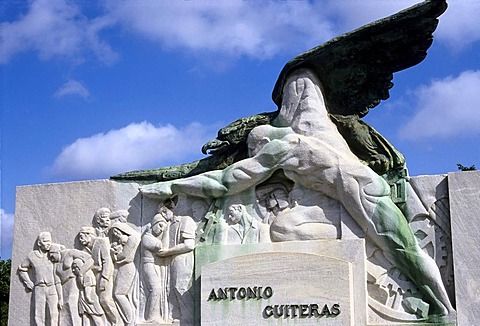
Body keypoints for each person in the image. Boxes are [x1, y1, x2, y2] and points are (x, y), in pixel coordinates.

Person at [141, 69, 454, 316]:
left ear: (264, 142)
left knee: (404, 250)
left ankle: (445, 309)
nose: (254, 156)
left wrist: (172, 185)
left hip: (364, 194)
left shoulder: (282, 148)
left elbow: (225, 181)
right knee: (290, 227)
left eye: (254, 149)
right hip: (356, 190)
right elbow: (304, 87)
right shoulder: (311, 125)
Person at [156, 205, 196, 325]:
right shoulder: (169, 225)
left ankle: (189, 318)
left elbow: (189, 245)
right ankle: (180, 315)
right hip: (171, 259)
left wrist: (168, 252)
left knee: (181, 287)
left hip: (182, 258)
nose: (163, 215)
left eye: (164, 211)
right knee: (172, 288)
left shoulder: (186, 220)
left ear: (171, 208)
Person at [78, 227, 120, 325]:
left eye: (82, 237)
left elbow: (107, 261)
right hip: (94, 276)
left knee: (105, 299)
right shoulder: (86, 248)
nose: (80, 240)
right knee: (99, 301)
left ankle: (118, 322)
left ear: (88, 234)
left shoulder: (101, 242)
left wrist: (104, 279)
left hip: (105, 274)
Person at [18, 231, 60, 326]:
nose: (48, 244)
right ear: (39, 243)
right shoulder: (32, 256)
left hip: (52, 287)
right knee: (39, 314)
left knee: (53, 313)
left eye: (50, 241)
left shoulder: (53, 255)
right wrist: (28, 281)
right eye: (46, 241)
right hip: (39, 288)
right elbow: (22, 269)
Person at [48, 243, 94, 326]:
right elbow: (57, 282)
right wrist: (60, 298)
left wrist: (81, 273)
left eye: (52, 254)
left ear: (57, 252)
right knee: (63, 308)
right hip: (63, 287)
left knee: (71, 304)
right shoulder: (55, 264)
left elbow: (90, 260)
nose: (51, 258)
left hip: (73, 282)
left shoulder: (70, 253)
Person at [141, 213, 171, 323]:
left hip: (155, 265)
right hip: (149, 265)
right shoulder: (147, 238)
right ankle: (151, 317)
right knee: (155, 289)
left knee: (158, 289)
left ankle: (155, 315)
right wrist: (167, 231)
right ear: (153, 224)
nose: (161, 230)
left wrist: (165, 230)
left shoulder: (151, 237)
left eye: (163, 227)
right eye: (160, 226)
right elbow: (163, 248)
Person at [110, 222, 140, 325]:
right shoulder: (125, 239)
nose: (115, 234)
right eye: (114, 233)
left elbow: (125, 255)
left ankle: (130, 320)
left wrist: (114, 254)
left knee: (119, 294)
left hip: (127, 267)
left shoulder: (132, 238)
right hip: (122, 267)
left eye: (116, 231)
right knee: (117, 294)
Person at [72, 258, 104, 326]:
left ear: (79, 267)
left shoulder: (87, 274)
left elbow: (88, 287)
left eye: (75, 268)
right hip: (83, 298)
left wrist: (88, 297)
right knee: (85, 315)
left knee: (94, 314)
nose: (73, 270)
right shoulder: (80, 276)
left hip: (89, 298)